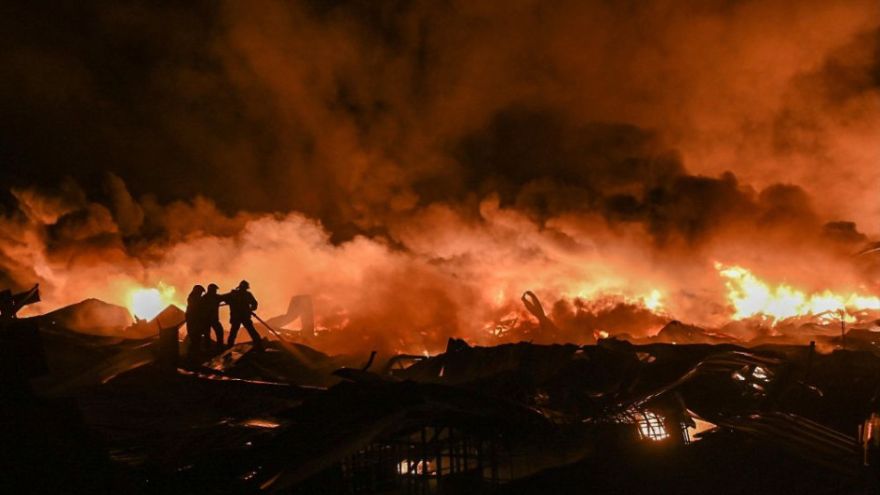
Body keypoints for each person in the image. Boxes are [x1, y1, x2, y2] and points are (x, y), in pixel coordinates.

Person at [226, 280, 264, 351]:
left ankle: (229, 347)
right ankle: (259, 345)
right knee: (250, 331)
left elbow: (254, 303)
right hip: (241, 317)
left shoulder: (236, 294)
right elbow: (254, 304)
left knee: (235, 332)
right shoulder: (242, 294)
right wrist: (251, 309)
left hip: (240, 317)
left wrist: (251, 309)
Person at [201, 283, 225, 350]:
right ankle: (219, 347)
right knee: (219, 332)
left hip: (206, 320)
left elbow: (224, 297)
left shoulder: (204, 298)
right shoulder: (215, 297)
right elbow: (224, 297)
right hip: (212, 320)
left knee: (207, 335)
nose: (216, 291)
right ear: (211, 290)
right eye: (215, 290)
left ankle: (208, 349)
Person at [185, 285, 206, 357]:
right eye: (200, 292)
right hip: (194, 323)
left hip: (195, 323)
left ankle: (193, 355)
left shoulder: (193, 298)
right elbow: (197, 310)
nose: (201, 294)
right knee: (195, 340)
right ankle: (192, 356)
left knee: (196, 340)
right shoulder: (193, 299)